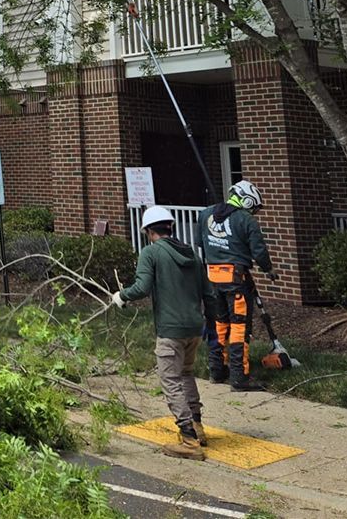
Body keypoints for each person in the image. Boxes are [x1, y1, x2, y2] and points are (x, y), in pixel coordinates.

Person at [113, 205, 211, 459]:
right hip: (194, 327)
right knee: (186, 373)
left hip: (170, 330)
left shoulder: (151, 253)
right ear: (171, 226)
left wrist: (121, 296)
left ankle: (189, 440)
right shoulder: (191, 253)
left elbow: (142, 287)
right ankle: (198, 425)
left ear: (147, 231)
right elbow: (208, 292)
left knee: (171, 381)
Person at [201, 178, 275, 391]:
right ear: (249, 201)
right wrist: (268, 269)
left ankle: (217, 370)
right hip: (236, 282)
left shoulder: (206, 214)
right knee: (239, 327)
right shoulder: (245, 220)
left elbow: (201, 244)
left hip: (213, 279)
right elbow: (259, 251)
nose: (255, 213)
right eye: (255, 208)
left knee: (219, 325)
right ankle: (239, 377)